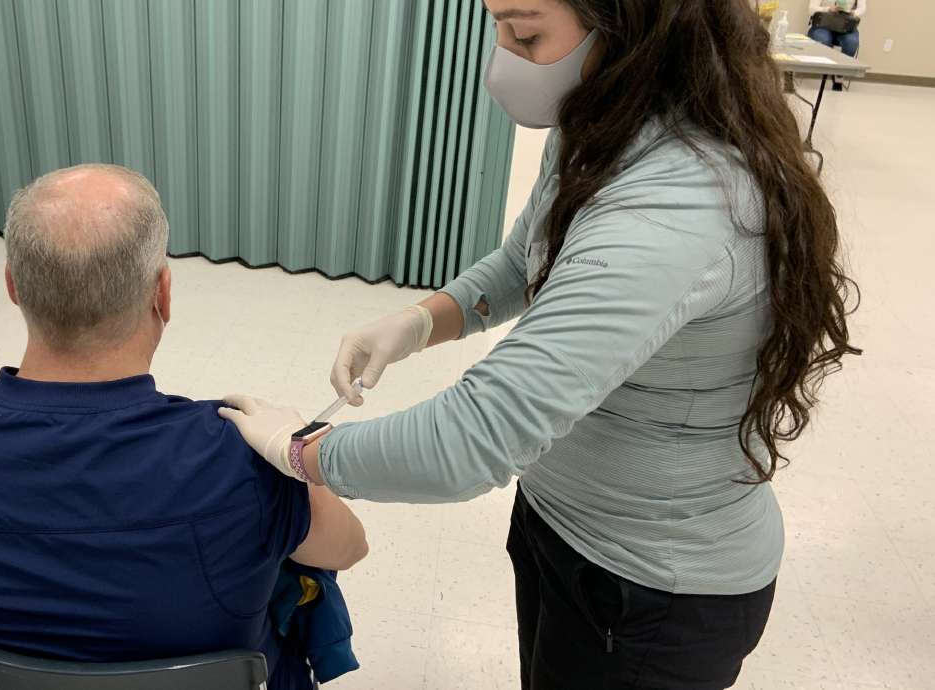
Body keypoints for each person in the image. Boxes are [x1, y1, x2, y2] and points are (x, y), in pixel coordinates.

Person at [219, 1, 860, 689]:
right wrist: (421, 321)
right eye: (495, 25)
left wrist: (300, 450)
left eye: (525, 33)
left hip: (651, 587)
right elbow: (529, 257)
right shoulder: (603, 121)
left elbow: (471, 440)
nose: (502, 55)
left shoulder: (680, 208)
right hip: (563, 521)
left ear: (631, 27)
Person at [0, 164, 367, 689]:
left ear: (13, 287)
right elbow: (348, 549)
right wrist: (296, 458)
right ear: (164, 294)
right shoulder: (237, 457)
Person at [808, 0, 866, 90]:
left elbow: (862, 9)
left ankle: (839, 74)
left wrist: (853, 12)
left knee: (852, 42)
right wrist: (828, 9)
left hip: (845, 25)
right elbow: (811, 9)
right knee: (824, 40)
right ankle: (828, 69)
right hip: (823, 23)